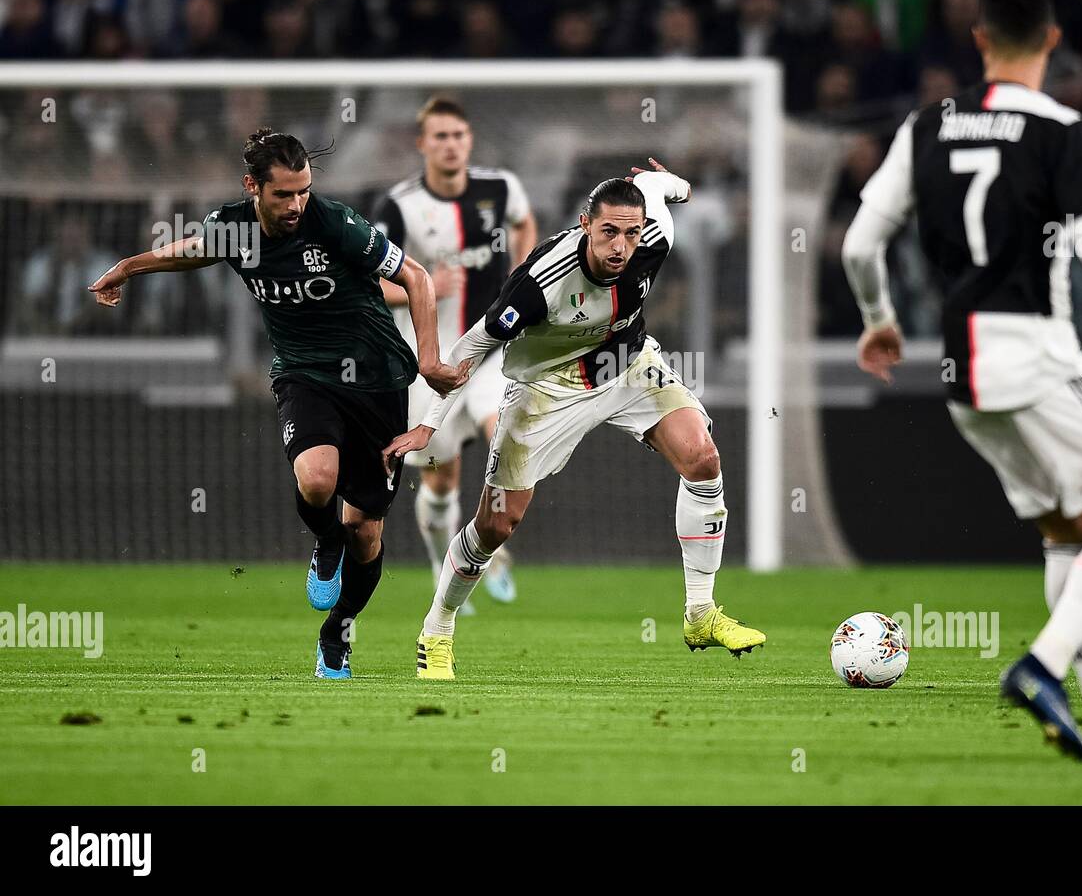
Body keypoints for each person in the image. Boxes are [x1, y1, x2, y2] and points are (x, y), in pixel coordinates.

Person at [842, 0, 1082, 761]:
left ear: (979, 41)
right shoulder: (1057, 126)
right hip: (1038, 354)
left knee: (1069, 528)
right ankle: (1043, 666)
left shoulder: (927, 124)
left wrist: (879, 323)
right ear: (1051, 40)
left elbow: (858, 244)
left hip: (962, 370)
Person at [88, 129, 466, 680]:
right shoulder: (235, 229)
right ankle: (325, 542)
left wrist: (429, 360)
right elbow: (188, 254)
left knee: (369, 537)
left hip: (378, 381)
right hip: (304, 375)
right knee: (316, 482)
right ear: (252, 187)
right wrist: (128, 266)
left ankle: (338, 630)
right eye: (284, 194)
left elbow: (415, 276)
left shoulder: (333, 223)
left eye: (304, 192)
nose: (297, 205)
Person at [382, 159, 766, 680]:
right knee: (497, 523)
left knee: (702, 458)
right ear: (585, 223)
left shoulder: (652, 238)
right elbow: (470, 349)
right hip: (543, 390)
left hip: (625, 367)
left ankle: (700, 612)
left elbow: (657, 188)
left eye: (629, 234)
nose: (619, 247)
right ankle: (438, 629)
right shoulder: (538, 283)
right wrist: (428, 424)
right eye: (608, 231)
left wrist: (681, 184)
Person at [374, 97, 537, 611]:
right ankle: (441, 565)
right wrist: (423, 286)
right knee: (440, 481)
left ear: (470, 141)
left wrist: (525, 270)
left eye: (458, 135)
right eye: (439, 136)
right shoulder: (397, 207)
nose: (450, 145)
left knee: (505, 440)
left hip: (493, 354)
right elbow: (372, 286)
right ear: (422, 144)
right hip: (430, 361)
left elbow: (524, 222)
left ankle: (487, 547)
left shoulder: (500, 188)